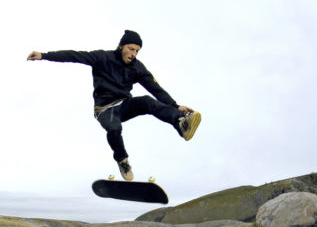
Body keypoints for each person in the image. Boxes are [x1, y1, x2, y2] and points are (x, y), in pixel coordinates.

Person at [27, 30, 201, 181]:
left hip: (124, 105)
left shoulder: (137, 67)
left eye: (137, 51)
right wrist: (44, 55)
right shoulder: (102, 58)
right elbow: (74, 56)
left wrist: (175, 106)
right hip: (104, 109)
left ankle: (181, 124)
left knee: (147, 101)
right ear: (121, 46)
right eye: (130, 49)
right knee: (114, 128)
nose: (133, 54)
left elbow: (155, 88)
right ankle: (122, 161)